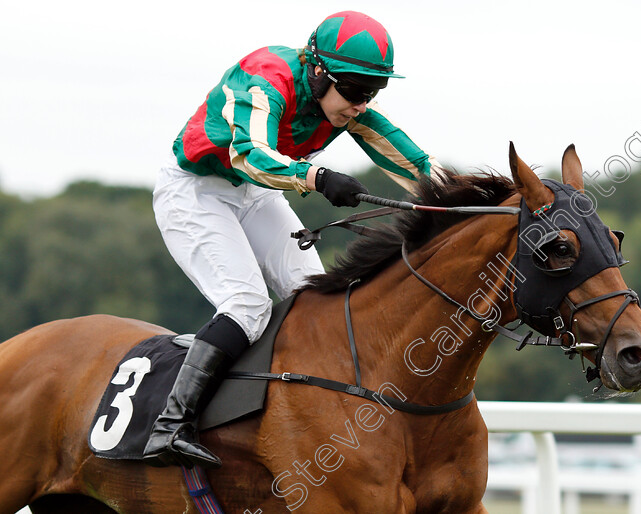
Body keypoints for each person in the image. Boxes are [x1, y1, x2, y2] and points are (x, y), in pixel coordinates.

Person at [144, 10, 442, 469]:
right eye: (357, 91)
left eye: (373, 92)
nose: (362, 104)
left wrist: (460, 199)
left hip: (253, 194)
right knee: (247, 305)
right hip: (195, 191)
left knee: (316, 302)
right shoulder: (267, 79)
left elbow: (406, 156)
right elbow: (250, 156)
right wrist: (317, 176)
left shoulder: (341, 100)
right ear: (319, 72)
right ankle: (169, 426)